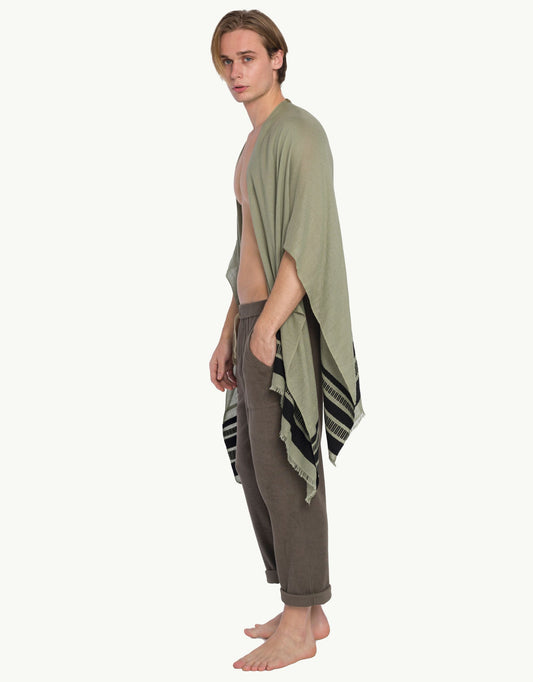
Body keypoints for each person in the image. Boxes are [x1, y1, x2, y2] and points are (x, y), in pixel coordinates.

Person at [209, 9, 365, 671]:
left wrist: (269, 324)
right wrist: (230, 330)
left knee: (287, 467)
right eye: (226, 61)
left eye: (247, 57)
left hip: (282, 321)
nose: (235, 72)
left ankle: (300, 624)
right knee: (255, 467)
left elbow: (307, 241)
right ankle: (305, 605)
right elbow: (247, 248)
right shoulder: (252, 143)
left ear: (277, 57)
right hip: (251, 317)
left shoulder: (300, 133)